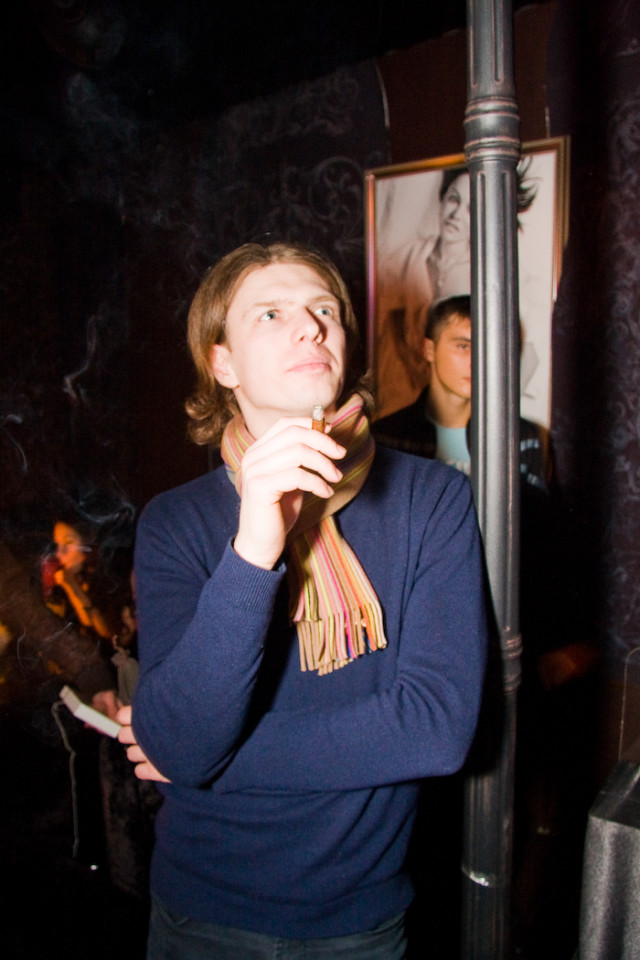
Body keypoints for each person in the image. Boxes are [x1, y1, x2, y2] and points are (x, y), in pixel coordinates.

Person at [115, 241, 488, 959]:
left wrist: (206, 762)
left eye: (324, 310)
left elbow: (436, 729)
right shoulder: (175, 521)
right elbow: (184, 733)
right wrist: (254, 548)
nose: (311, 327)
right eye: (271, 314)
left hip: (362, 923)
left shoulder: (432, 498)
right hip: (202, 915)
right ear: (222, 362)